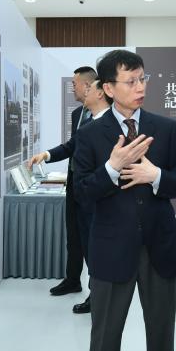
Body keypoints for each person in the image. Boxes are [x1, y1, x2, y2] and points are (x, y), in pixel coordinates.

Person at [72, 49, 176, 351]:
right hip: (111, 249)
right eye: (131, 81)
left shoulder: (165, 128)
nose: (140, 87)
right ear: (108, 88)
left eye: (143, 79)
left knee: (161, 335)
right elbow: (82, 192)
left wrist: (155, 175)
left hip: (159, 246)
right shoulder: (90, 135)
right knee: (105, 339)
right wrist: (112, 168)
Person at [28, 66, 98, 298]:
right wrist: (47, 155)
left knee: (91, 240)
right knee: (74, 236)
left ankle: (96, 293)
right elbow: (72, 146)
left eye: (74, 84)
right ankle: (72, 280)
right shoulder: (78, 114)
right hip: (74, 185)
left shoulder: (104, 117)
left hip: (92, 188)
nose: (72, 88)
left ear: (88, 86)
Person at [70, 79, 113, 314]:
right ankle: (94, 294)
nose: (84, 92)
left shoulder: (112, 126)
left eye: (89, 88)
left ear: (101, 93)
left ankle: (99, 297)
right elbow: (72, 147)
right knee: (89, 248)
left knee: (98, 251)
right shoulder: (87, 122)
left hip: (100, 199)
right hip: (85, 196)